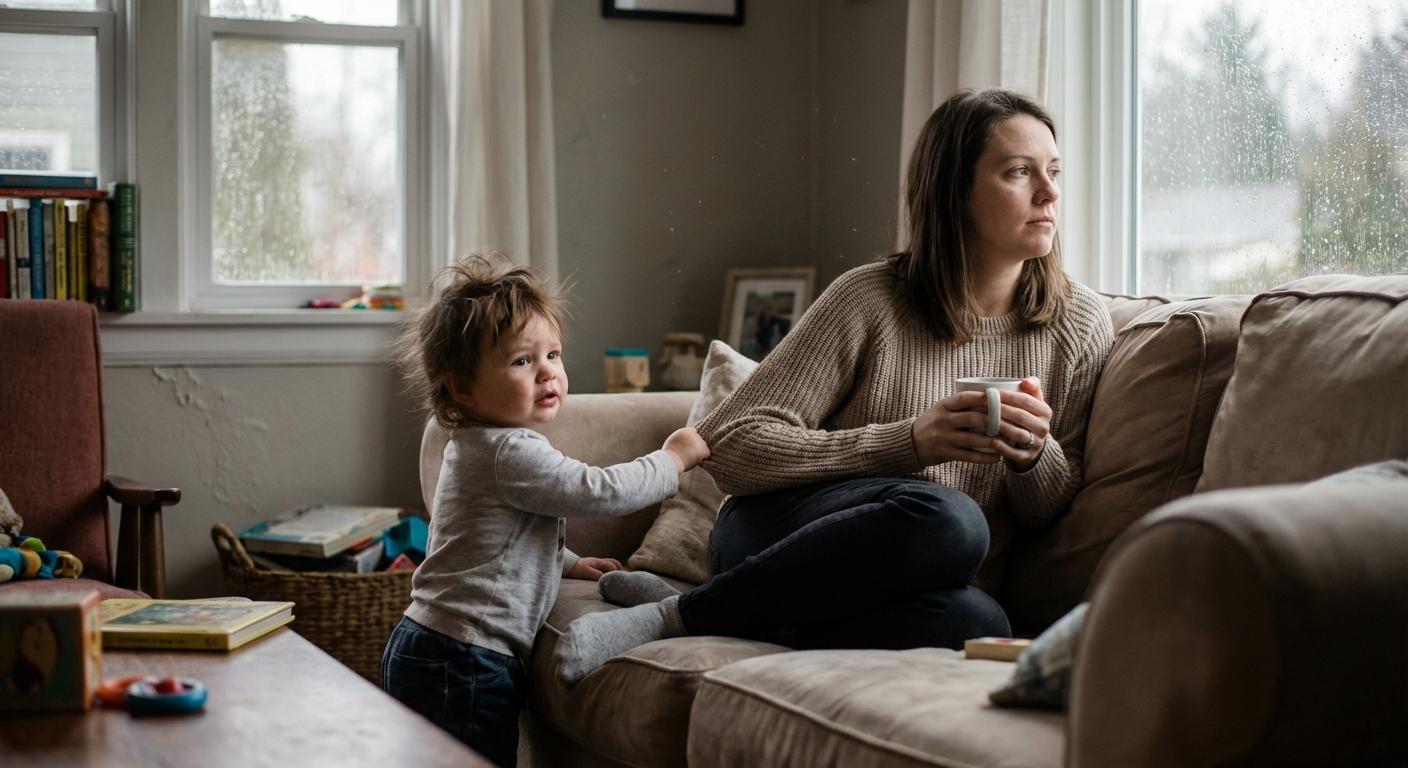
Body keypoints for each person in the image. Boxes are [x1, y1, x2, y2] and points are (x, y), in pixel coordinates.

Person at [552, 88, 1113, 685]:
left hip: (899, 578)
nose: (1049, 193)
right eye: (1019, 172)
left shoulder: (1078, 324)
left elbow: (1051, 506)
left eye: (1054, 172)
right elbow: (733, 447)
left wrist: (1032, 454)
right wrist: (909, 443)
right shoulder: (870, 299)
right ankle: (676, 617)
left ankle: (703, 609)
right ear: (955, 190)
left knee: (980, 620)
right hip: (775, 534)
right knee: (953, 520)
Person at [382, 255, 709, 766]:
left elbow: (491, 544)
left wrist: (569, 562)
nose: (548, 372)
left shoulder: (474, 444)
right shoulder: (509, 451)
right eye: (522, 361)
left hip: (435, 646)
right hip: (464, 660)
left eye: (553, 354)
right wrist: (672, 460)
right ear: (461, 386)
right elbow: (598, 492)